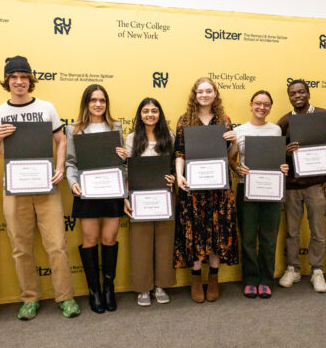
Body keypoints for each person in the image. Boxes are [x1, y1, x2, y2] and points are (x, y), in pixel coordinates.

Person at [0, 56, 80, 319]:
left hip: (46, 188)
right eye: (14, 77)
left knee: (57, 246)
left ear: (30, 80)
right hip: (14, 190)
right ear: (7, 81)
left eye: (23, 77)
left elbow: (61, 140)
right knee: (21, 248)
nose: (19, 81)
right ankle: (29, 299)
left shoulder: (46, 108)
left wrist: (60, 168)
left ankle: (66, 298)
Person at [174, 77, 239, 303]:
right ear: (195, 94)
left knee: (216, 232)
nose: (204, 94)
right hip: (193, 187)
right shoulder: (185, 120)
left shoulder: (224, 120)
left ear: (215, 94)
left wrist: (235, 143)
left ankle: (213, 278)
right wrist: (179, 175)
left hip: (218, 189)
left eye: (208, 91)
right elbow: (180, 153)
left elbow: (229, 157)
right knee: (195, 232)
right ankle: (195, 279)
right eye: (200, 91)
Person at [65, 84, 127, 313]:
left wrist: (125, 157)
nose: (98, 104)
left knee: (109, 239)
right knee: (90, 240)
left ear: (106, 103)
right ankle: (94, 292)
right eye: (93, 100)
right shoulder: (74, 129)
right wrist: (73, 183)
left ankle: (109, 289)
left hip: (112, 190)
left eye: (102, 100)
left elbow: (123, 162)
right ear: (86, 103)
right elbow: (70, 162)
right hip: (87, 191)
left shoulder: (116, 127)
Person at [277, 80, 326, 293]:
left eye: (301, 91)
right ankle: (293, 268)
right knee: (292, 232)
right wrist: (285, 151)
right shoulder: (285, 121)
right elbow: (277, 155)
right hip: (292, 186)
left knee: (318, 231)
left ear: (308, 93)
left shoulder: (324, 116)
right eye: (293, 93)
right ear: (289, 96)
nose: (298, 96)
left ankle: (317, 270)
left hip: (317, 185)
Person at [228, 90, 288, 299]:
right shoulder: (239, 131)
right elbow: (232, 159)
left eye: (266, 104)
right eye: (258, 103)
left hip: (272, 190)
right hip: (247, 189)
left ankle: (266, 279)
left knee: (269, 237)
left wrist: (283, 168)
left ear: (270, 107)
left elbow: (279, 159)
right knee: (248, 237)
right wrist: (237, 169)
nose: (262, 107)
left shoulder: (276, 130)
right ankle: (251, 279)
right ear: (251, 105)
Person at [123, 98, 176, 306]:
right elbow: (127, 169)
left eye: (154, 111)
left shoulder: (169, 136)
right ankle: (143, 288)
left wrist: (172, 176)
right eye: (146, 111)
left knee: (165, 240)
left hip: (164, 194)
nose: (150, 114)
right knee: (140, 242)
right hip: (139, 195)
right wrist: (126, 196)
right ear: (140, 115)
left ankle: (161, 285)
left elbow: (174, 164)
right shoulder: (131, 138)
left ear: (159, 114)